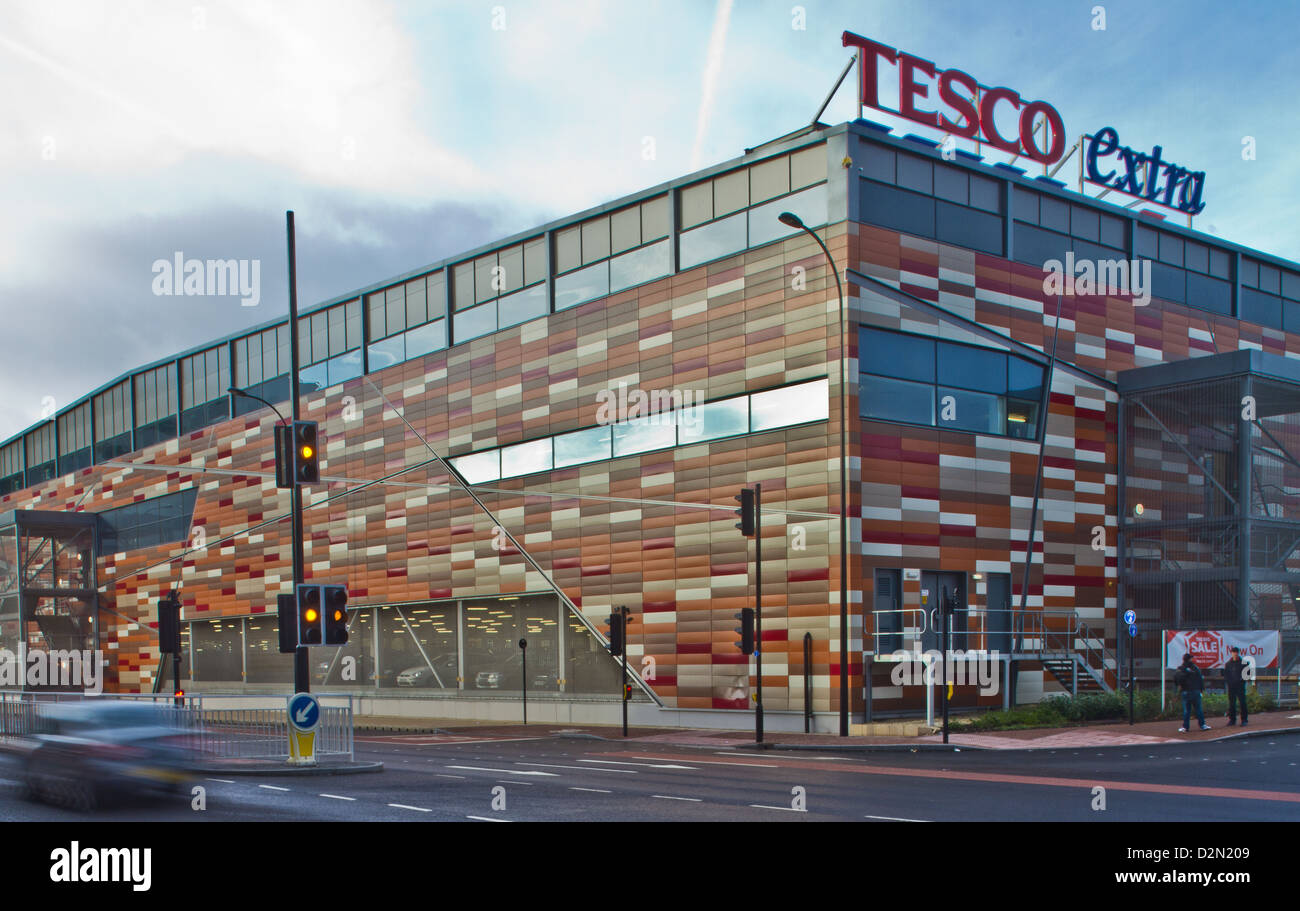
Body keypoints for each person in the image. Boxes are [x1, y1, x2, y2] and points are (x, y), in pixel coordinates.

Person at [1173, 652, 1210, 733]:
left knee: (1186, 711)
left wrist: (1178, 690)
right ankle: (1202, 725)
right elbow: (1200, 679)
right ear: (1190, 659)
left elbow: (1176, 679)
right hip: (1195, 691)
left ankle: (1185, 727)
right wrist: (1201, 689)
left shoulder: (1180, 668)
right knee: (1198, 709)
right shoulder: (1195, 668)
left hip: (1185, 691)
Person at [1222, 646, 1249, 727]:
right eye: (1233, 652)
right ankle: (1232, 720)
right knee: (1232, 703)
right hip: (1231, 686)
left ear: (1238, 653)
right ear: (1231, 653)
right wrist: (1229, 682)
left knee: (1242, 703)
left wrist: (1241, 681)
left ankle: (1244, 720)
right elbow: (1226, 675)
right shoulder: (1228, 664)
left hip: (1240, 686)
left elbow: (1247, 674)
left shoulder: (1244, 663)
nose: (1235, 654)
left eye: (1236, 652)